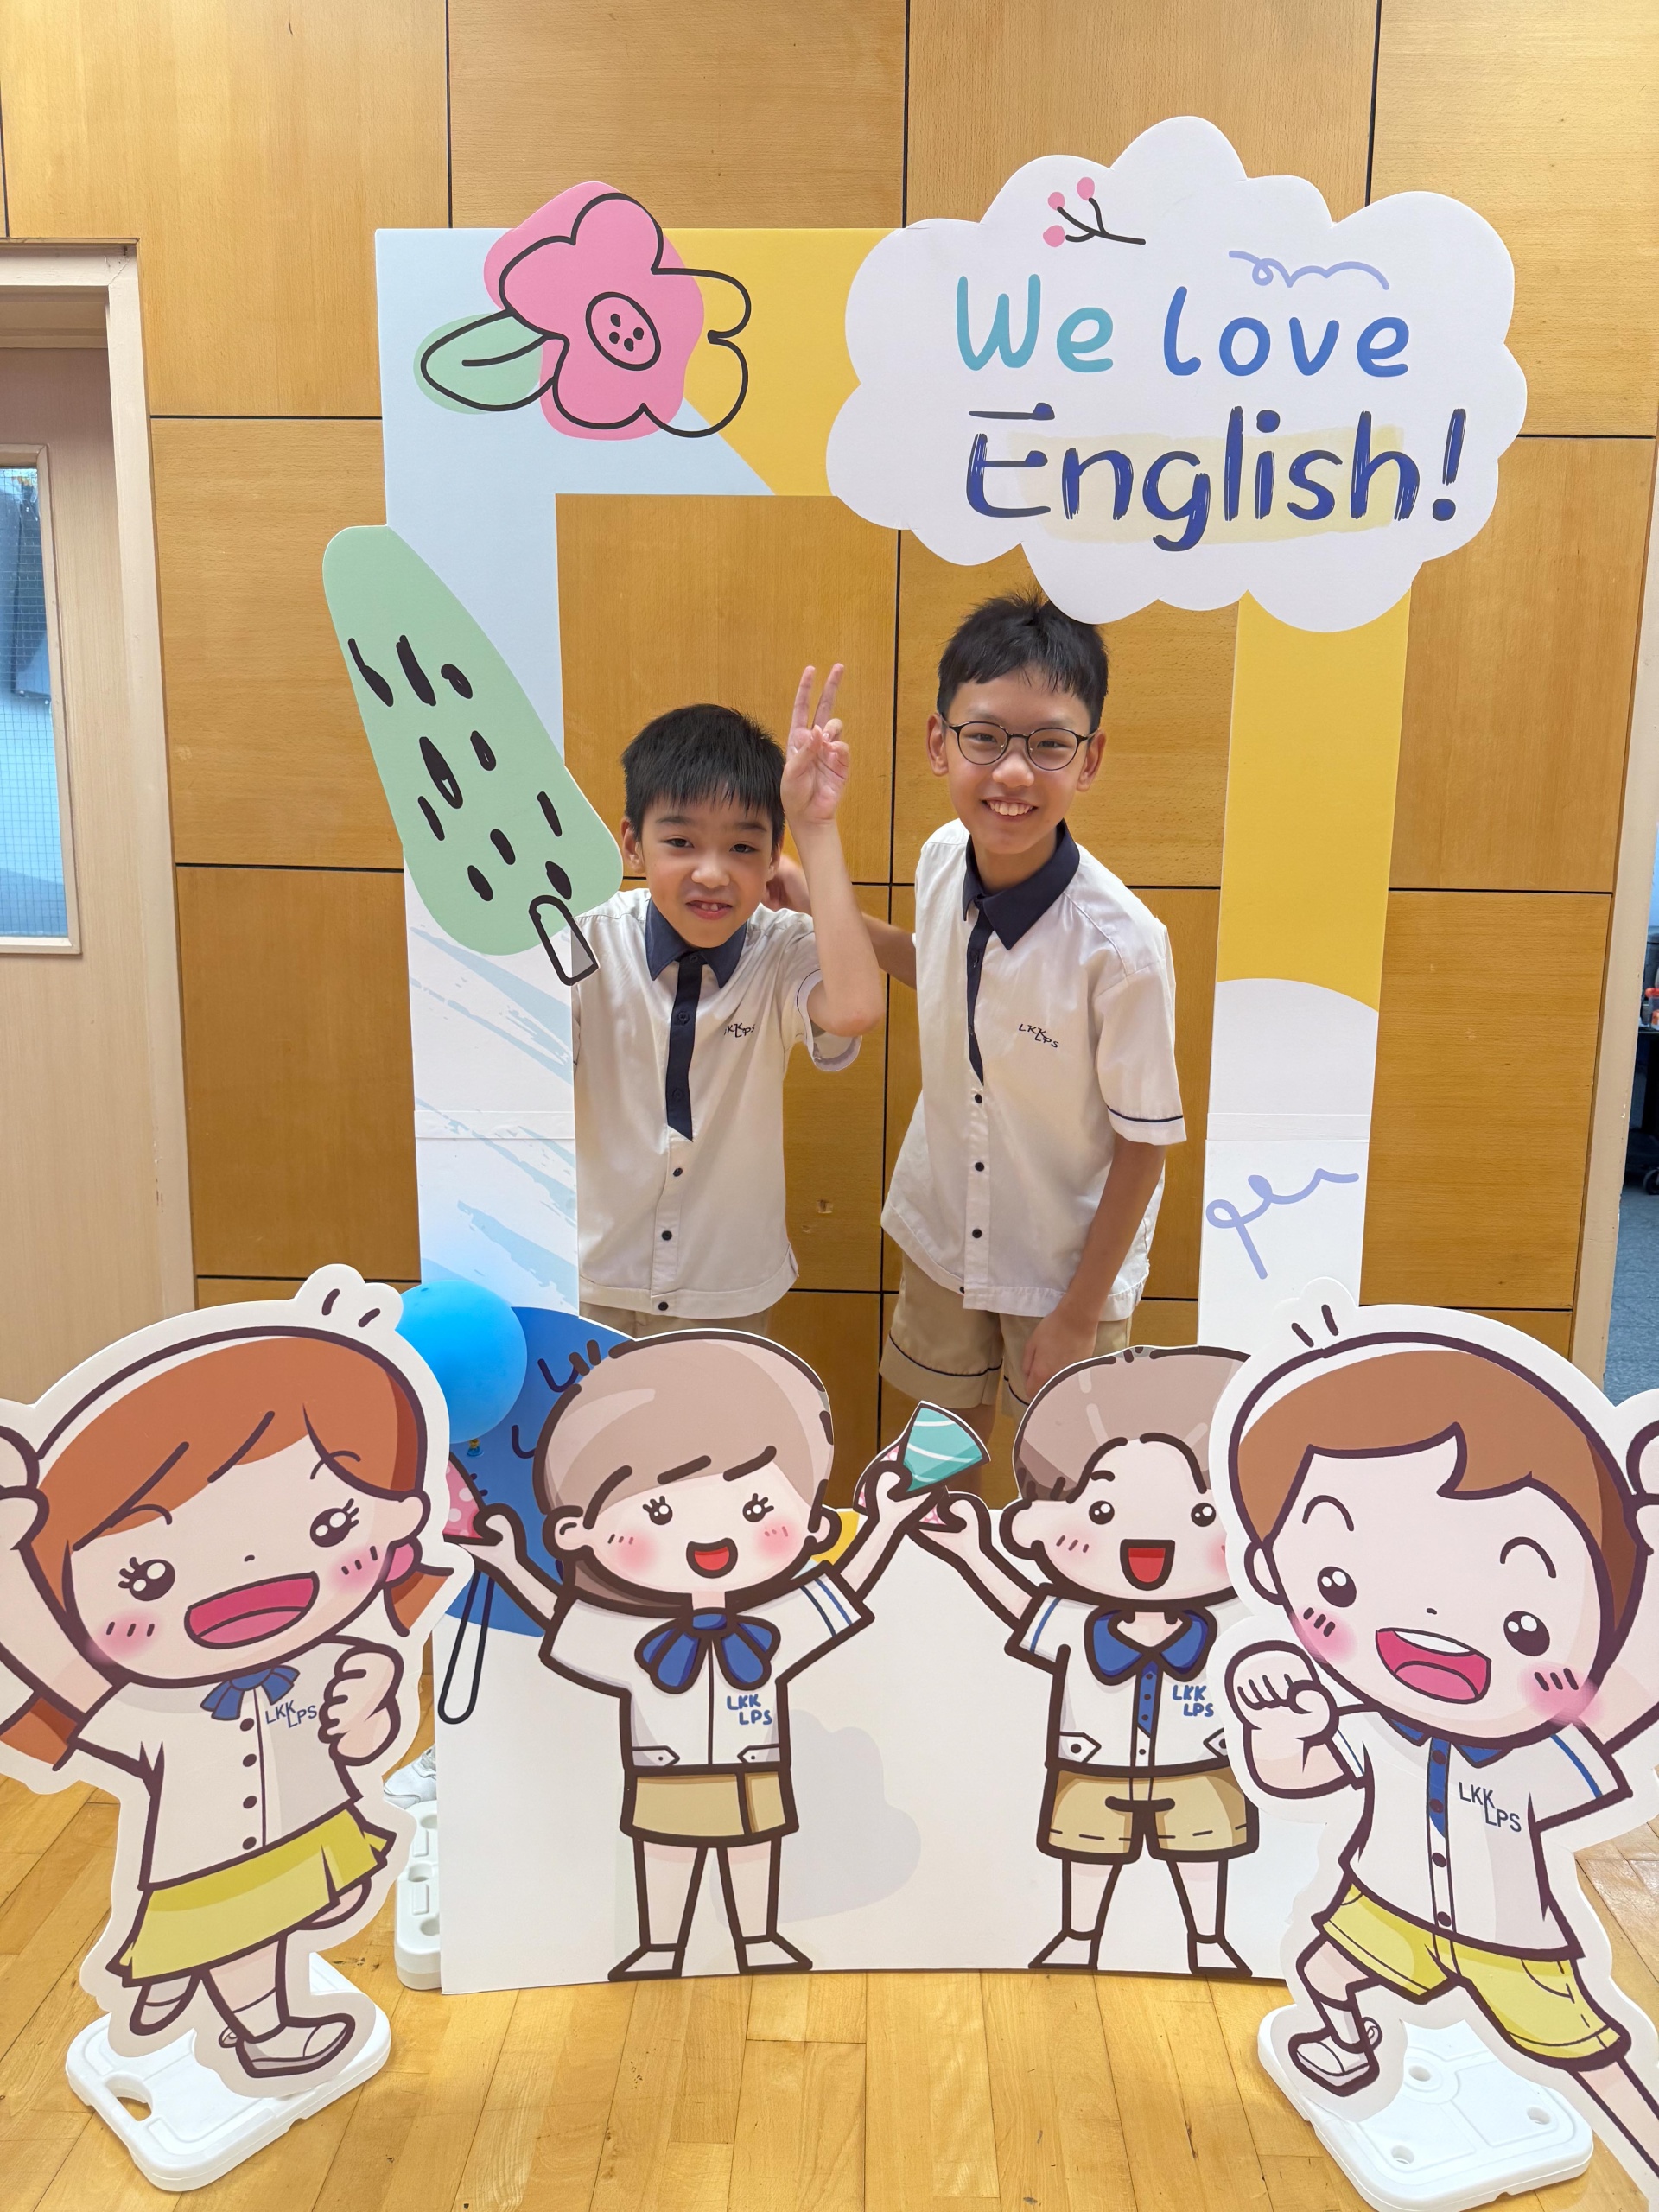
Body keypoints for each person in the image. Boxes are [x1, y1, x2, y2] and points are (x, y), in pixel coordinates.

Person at [1224, 1331, 1659, 2188]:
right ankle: (1348, 2047)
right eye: (1339, 1584)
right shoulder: (1368, 1723)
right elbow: (1293, 1777)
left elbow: (1629, 1708)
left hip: (1513, 1944)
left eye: (1524, 1626)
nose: (1424, 1621)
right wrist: (1277, 1723)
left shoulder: (1541, 1755)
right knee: (1320, 1967)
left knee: (1594, 2063)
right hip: (1384, 1906)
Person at [0, 1295, 448, 2082]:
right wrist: (9, 1563)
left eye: (328, 1527)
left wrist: (373, 1696)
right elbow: (63, 1691)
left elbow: (367, 1737)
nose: (247, 1577)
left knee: (328, 1902)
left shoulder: (328, 1656)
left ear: (397, 1518)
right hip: (209, 1869)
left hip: (312, 1829)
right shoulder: (152, 1710)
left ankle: (171, 1976)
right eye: (147, 1575)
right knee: (246, 1943)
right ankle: (263, 2033)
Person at [778, 592, 1183, 1439]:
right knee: (937, 1459)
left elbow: (1145, 1145)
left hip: (1065, 1265)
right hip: (946, 1233)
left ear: (1090, 759)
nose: (1013, 773)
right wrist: (818, 901)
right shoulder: (939, 857)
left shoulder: (1123, 948)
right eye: (986, 736)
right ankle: (935, 1532)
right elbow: (932, 964)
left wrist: (1077, 1313)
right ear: (939, 742)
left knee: (1066, 1478)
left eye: (1049, 744)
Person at [454, 1330, 933, 1979]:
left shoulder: (776, 1621)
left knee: (754, 1847)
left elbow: (842, 1590)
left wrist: (886, 1524)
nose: (712, 1537)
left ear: (814, 1521)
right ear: (576, 1533)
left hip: (753, 1761)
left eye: (757, 1505)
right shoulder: (633, 1635)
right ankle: (660, 1944)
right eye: (657, 1511)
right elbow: (564, 1620)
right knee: (665, 1851)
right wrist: (509, 1565)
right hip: (666, 1767)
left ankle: (757, 1938)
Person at [914, 1345, 1255, 1974]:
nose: (1148, 1545)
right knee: (1087, 1852)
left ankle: (1209, 1940)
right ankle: (1078, 1935)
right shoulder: (1076, 1622)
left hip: (1201, 1759)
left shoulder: (1235, 1620)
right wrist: (972, 1553)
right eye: (1102, 1511)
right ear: (1041, 1520)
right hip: (1092, 1762)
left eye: (1201, 1514)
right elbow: (1024, 1610)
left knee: (1204, 1854)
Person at [573, 668, 885, 1339]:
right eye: (680, 842)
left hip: (726, 1287)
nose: (712, 872)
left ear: (773, 858)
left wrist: (816, 826)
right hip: (589, 1275)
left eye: (743, 847)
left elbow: (857, 1008)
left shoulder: (781, 946)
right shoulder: (584, 944)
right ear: (631, 843)